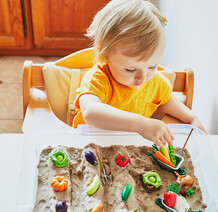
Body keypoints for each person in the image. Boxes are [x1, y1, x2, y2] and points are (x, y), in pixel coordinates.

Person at [72, 0, 206, 148]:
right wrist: (141, 124)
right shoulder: (98, 79)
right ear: (106, 55)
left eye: (152, 66)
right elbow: (90, 112)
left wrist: (194, 120)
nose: (142, 77)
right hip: (91, 146)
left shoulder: (155, 82)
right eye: (131, 69)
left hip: (131, 149)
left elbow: (182, 112)